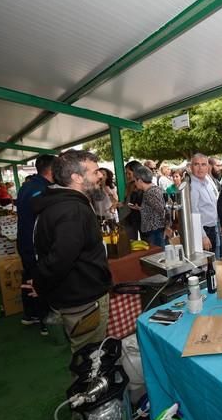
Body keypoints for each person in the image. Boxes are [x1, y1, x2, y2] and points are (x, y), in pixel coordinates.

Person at [30, 150, 112, 354]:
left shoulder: (61, 203)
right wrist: (41, 283)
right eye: (94, 172)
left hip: (74, 295)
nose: (100, 176)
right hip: (83, 299)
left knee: (86, 354)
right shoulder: (72, 210)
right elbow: (60, 258)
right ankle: (88, 387)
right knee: (90, 358)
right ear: (76, 178)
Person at [16, 154, 56, 334]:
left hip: (25, 240)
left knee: (29, 276)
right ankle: (45, 321)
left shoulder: (28, 185)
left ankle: (29, 314)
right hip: (35, 244)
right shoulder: (43, 190)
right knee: (41, 279)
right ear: (52, 169)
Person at [189, 153, 221, 255]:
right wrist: (202, 236)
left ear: (208, 167)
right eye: (196, 164)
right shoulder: (192, 187)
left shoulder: (207, 180)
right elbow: (193, 213)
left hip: (214, 226)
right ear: (191, 167)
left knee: (216, 259)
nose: (200, 168)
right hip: (204, 230)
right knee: (207, 265)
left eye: (203, 164)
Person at [132, 164, 166, 248]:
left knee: (158, 256)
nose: (135, 184)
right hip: (155, 230)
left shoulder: (150, 193)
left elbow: (162, 210)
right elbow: (153, 209)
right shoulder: (153, 190)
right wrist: (140, 208)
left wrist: (167, 227)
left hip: (155, 231)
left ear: (140, 181)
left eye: (135, 181)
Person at [121, 160, 142, 240]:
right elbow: (128, 202)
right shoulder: (129, 185)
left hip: (140, 221)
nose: (127, 176)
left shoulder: (142, 186)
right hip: (130, 220)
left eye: (129, 173)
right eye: (126, 173)